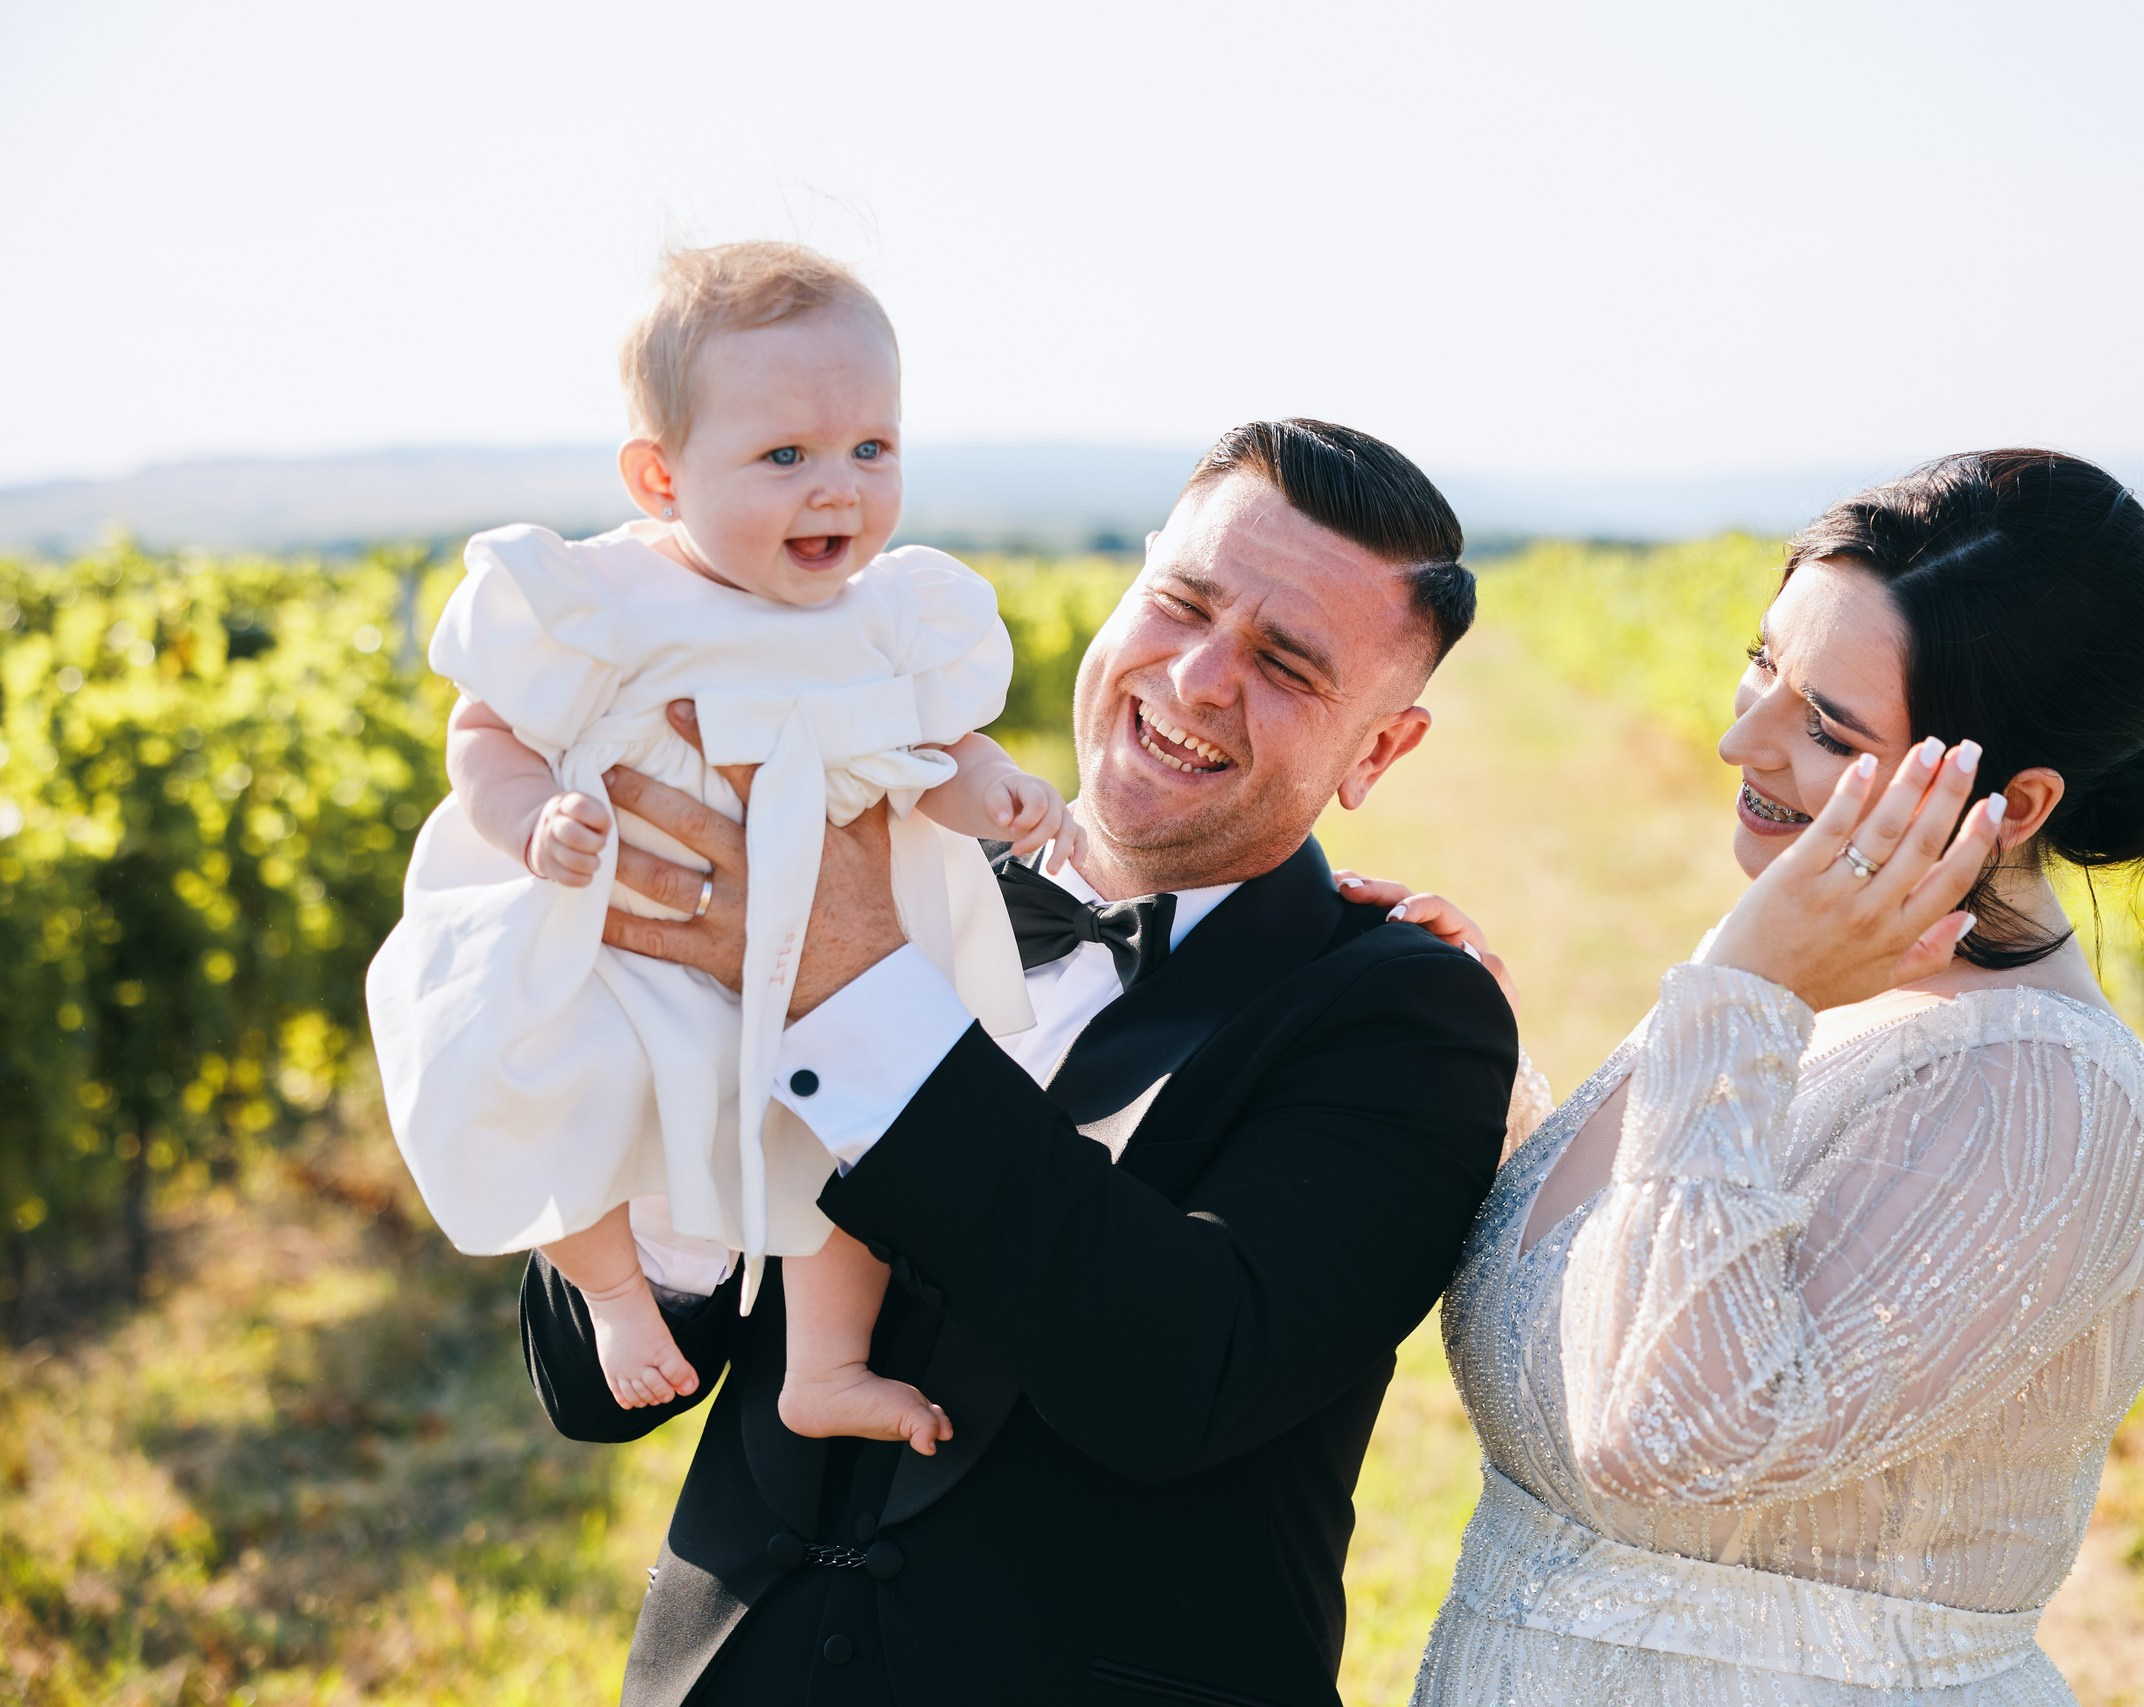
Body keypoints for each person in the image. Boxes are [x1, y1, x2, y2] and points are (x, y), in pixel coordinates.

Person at [519, 419, 1520, 1705]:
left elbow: (1182, 1378)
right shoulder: (890, 869)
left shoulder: (1403, 1014)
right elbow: (593, 1396)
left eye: (1286, 664)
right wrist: (686, 1054)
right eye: (1182, 605)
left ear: (1377, 751)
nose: (1201, 678)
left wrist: (853, 994)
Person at [1352, 450, 2144, 1704]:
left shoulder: (2047, 1098)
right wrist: (1480, 1081)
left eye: (1825, 726)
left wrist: (1740, 997)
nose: (1738, 737)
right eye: (1764, 664)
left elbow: (1663, 1435)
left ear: (2011, 804)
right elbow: (1628, 1301)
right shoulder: (1816, 996)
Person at [367, 242, 1073, 1452]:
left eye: (872, 448)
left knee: (852, 1149)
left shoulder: (895, 616)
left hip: (832, 965)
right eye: (784, 455)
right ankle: (614, 1289)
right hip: (634, 944)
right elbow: (484, 730)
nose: (837, 489)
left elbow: (940, 749)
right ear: (659, 476)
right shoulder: (604, 603)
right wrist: (531, 818)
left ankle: (824, 1368)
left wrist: (998, 790)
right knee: (569, 1079)